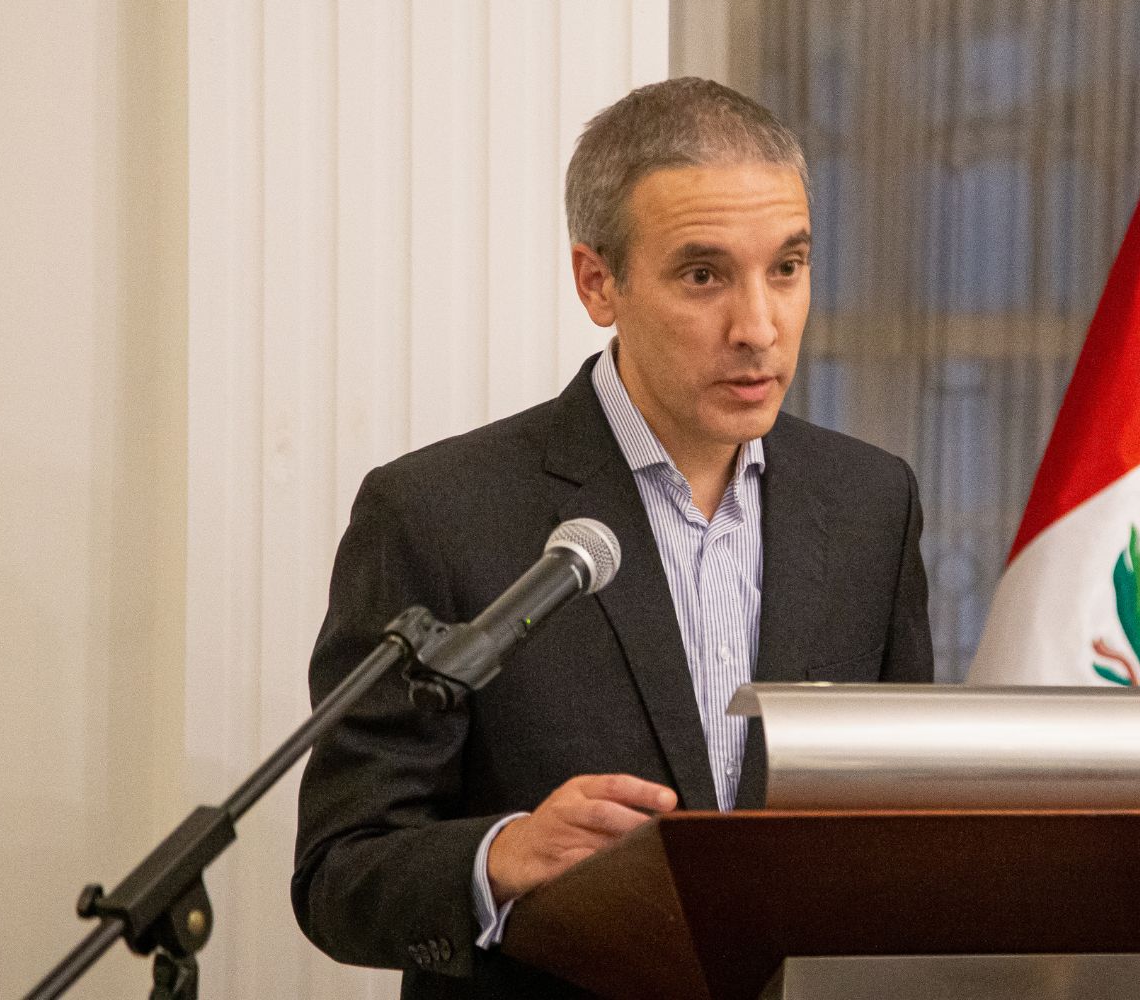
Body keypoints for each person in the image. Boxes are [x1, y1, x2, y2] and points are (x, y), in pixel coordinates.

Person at [292, 77, 933, 999]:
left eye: (787, 267)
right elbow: (340, 871)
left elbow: (903, 824)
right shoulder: (436, 512)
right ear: (599, 282)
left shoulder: (873, 502)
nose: (758, 327)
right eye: (704, 276)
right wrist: (500, 855)